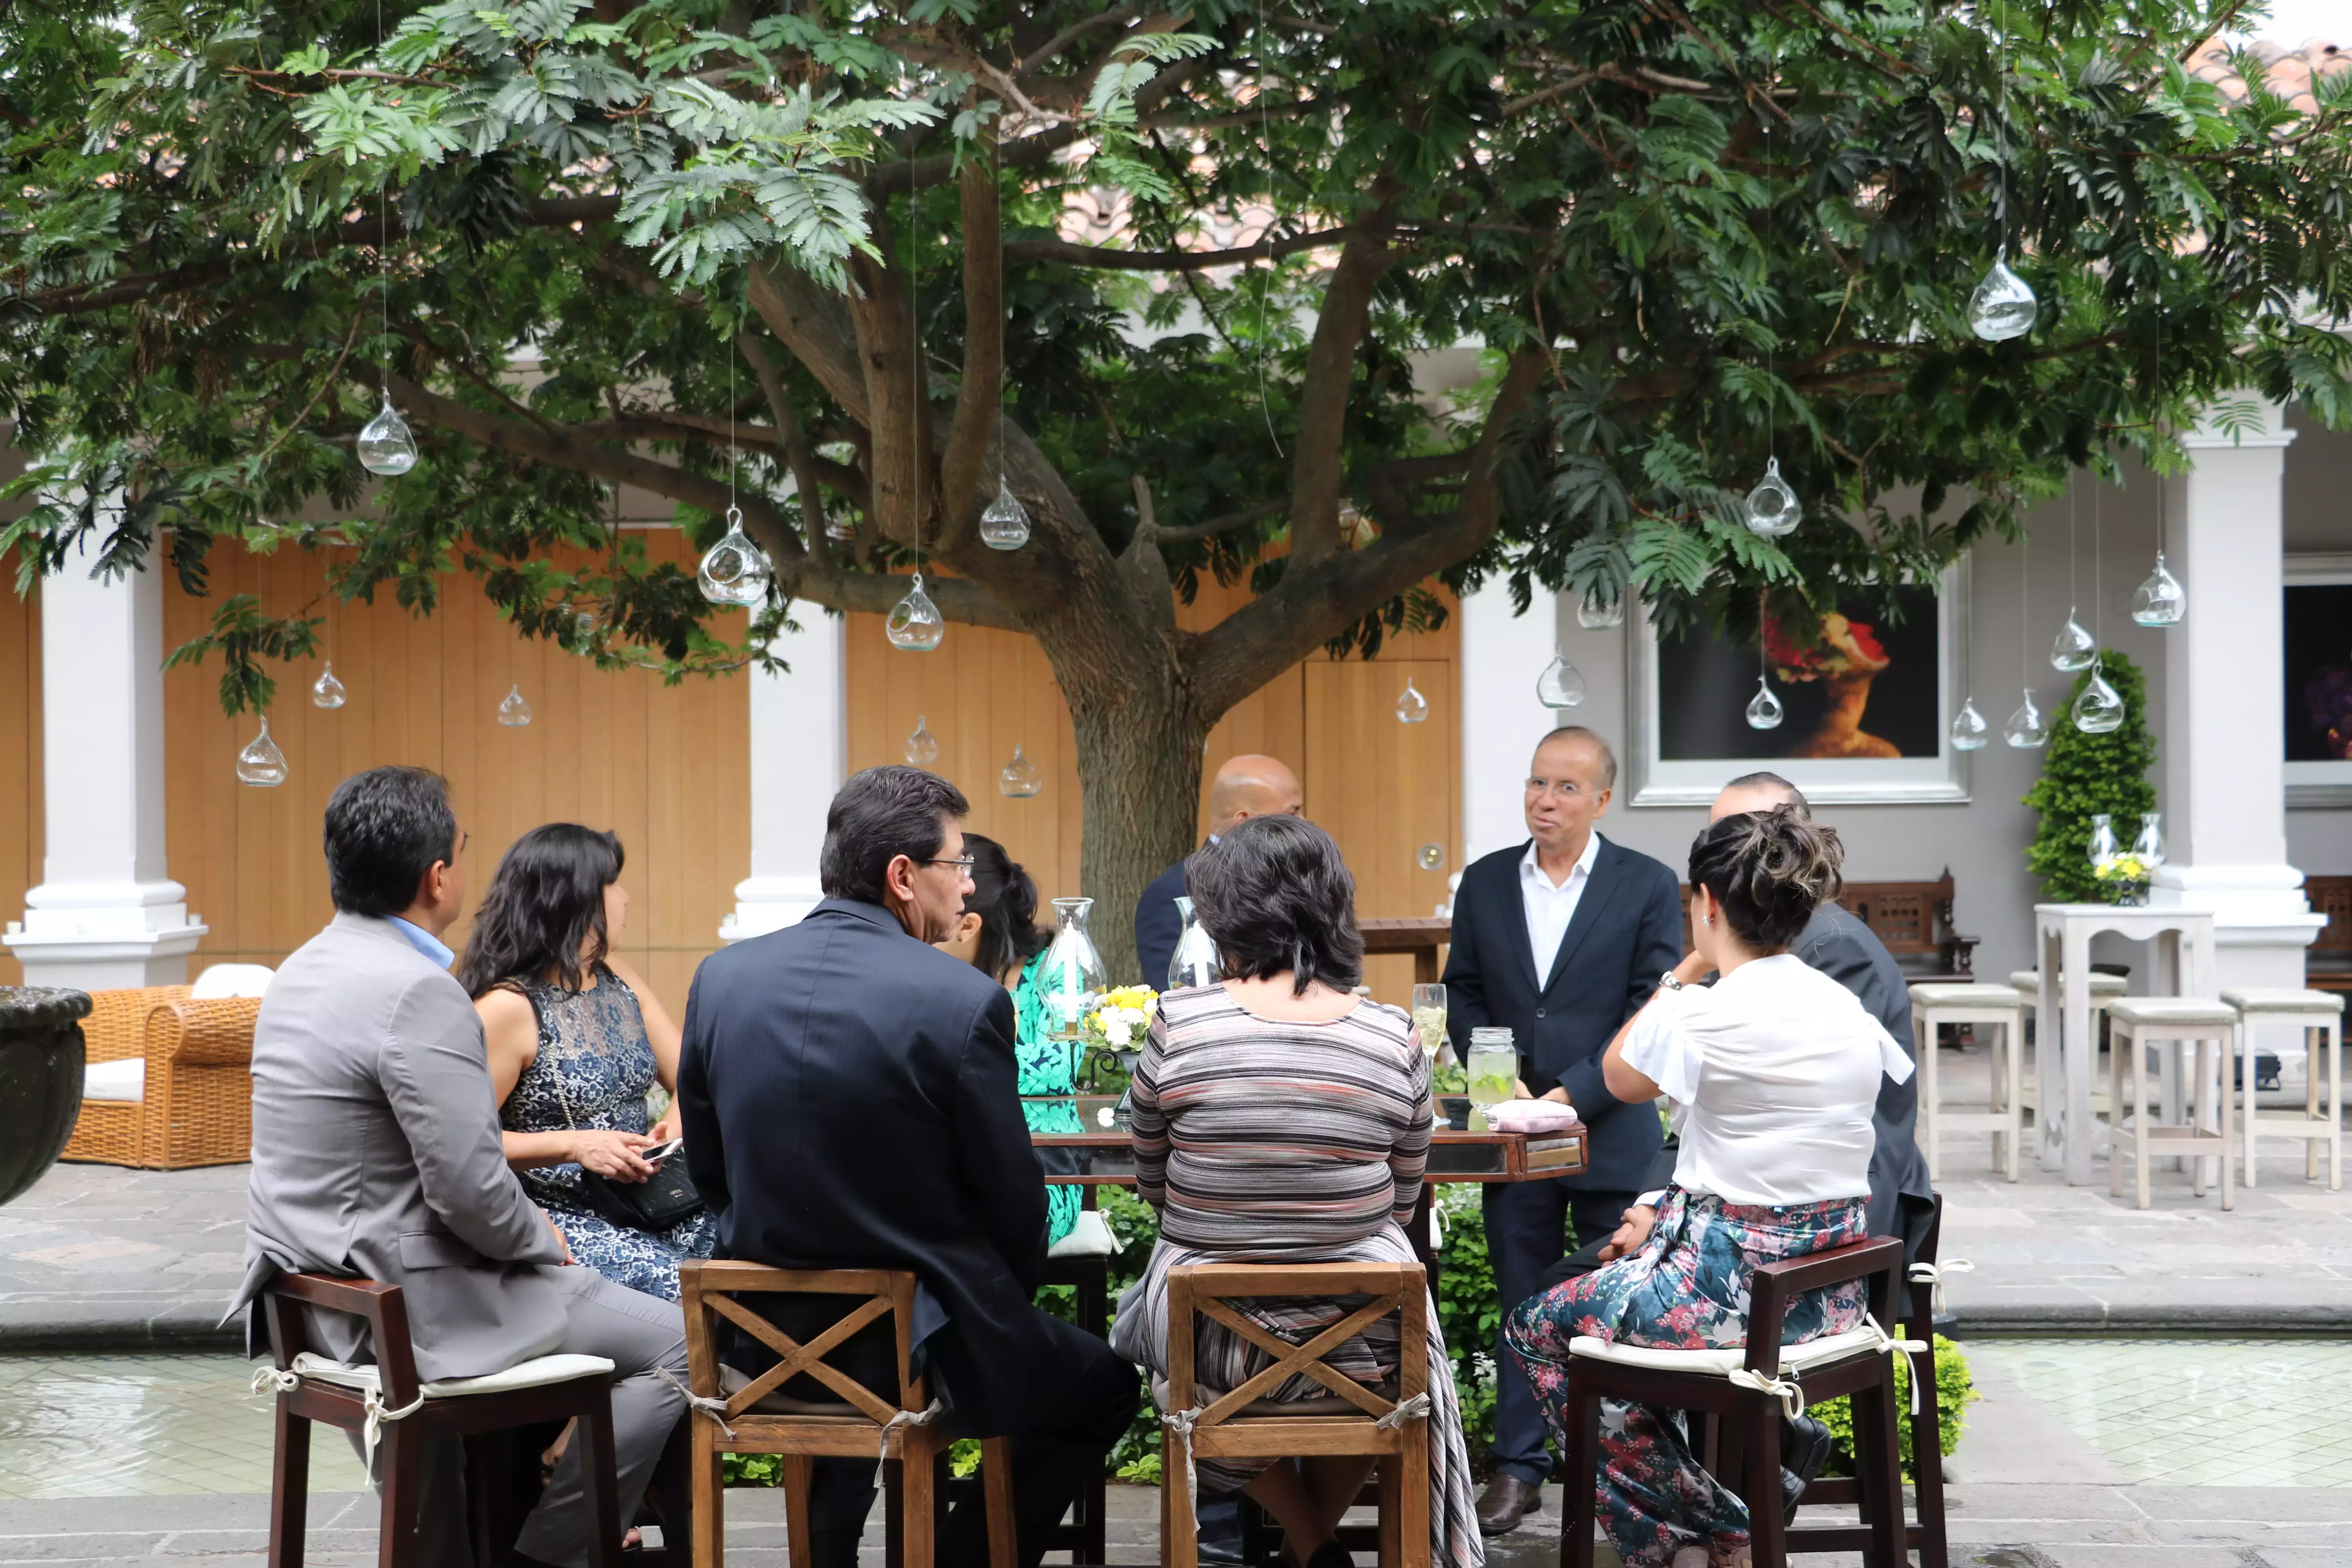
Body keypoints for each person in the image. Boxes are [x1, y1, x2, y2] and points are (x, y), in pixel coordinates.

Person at [677, 767, 1138, 1568]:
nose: (967, 887)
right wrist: (1003, 1292)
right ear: (902, 875)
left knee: (868, 1340)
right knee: (1104, 1384)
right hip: (920, 1336)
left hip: (764, 1331)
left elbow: (711, 1169)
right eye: (956, 864)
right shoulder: (958, 1001)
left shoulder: (722, 978)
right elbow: (1012, 1200)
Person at [229, 767, 689, 1568]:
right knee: (691, 1341)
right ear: (437, 875)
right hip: (412, 1301)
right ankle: (548, 1553)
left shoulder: (298, 970)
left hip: (306, 1289)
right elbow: (471, 1186)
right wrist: (546, 1245)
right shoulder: (419, 991)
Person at [1503, 805, 1914, 1568]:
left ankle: (1711, 1528)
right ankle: (1710, 1524)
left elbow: (1620, 1074)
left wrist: (1686, 967)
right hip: (1829, 1293)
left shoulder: (1704, 1012)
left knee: (1537, 1323)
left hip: (1726, 1297)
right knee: (1613, 1322)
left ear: (1708, 902)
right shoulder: (1847, 1009)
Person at [1111, 815, 1485, 1568]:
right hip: (1364, 1342)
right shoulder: (1394, 1038)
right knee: (1402, 1358)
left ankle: (1307, 1543)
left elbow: (1152, 1181)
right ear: (1336, 907)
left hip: (1213, 1345)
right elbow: (1401, 1203)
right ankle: (1312, 1543)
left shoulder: (1180, 1026)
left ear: (1223, 915)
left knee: (1153, 1322)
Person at [1439, 726, 1684, 1534]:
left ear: (1603, 799)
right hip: (1512, 1132)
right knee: (1523, 1296)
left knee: (1620, 1304)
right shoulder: (1484, 882)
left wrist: (1571, 1092)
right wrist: (1493, 1075)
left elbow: (1651, 1009)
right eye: (1538, 783)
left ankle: (1631, 1476)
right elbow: (1464, 990)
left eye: (1567, 787)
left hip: (1611, 1128)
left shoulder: (1646, 883)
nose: (1546, 800)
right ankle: (1518, 1470)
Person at [459, 823, 715, 1304]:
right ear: (576, 900)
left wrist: (665, 1140)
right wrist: (576, 1145)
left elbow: (692, 1077)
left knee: (744, 1257)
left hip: (648, 1199)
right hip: (563, 1214)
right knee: (691, 1290)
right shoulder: (507, 1009)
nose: (626, 897)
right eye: (612, 884)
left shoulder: (617, 975)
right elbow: (462, 1144)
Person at [933, 832, 1081, 1249]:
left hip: (1043, 1159)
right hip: (955, 1157)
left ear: (968, 926)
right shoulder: (937, 979)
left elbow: (1063, 1063)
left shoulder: (1056, 968)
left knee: (987, 1223)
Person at [1134, 753, 1305, 987]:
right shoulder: (1175, 894)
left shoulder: (1302, 879)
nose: (1305, 823)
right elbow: (1173, 997)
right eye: (1292, 814)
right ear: (1244, 821)